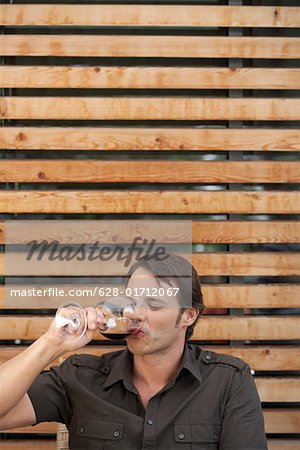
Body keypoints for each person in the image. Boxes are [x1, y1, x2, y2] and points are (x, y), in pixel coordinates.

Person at [0, 253, 267, 449]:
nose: (136, 314)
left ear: (188, 315)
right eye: (132, 302)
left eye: (153, 304)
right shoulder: (81, 377)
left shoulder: (228, 381)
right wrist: (52, 342)